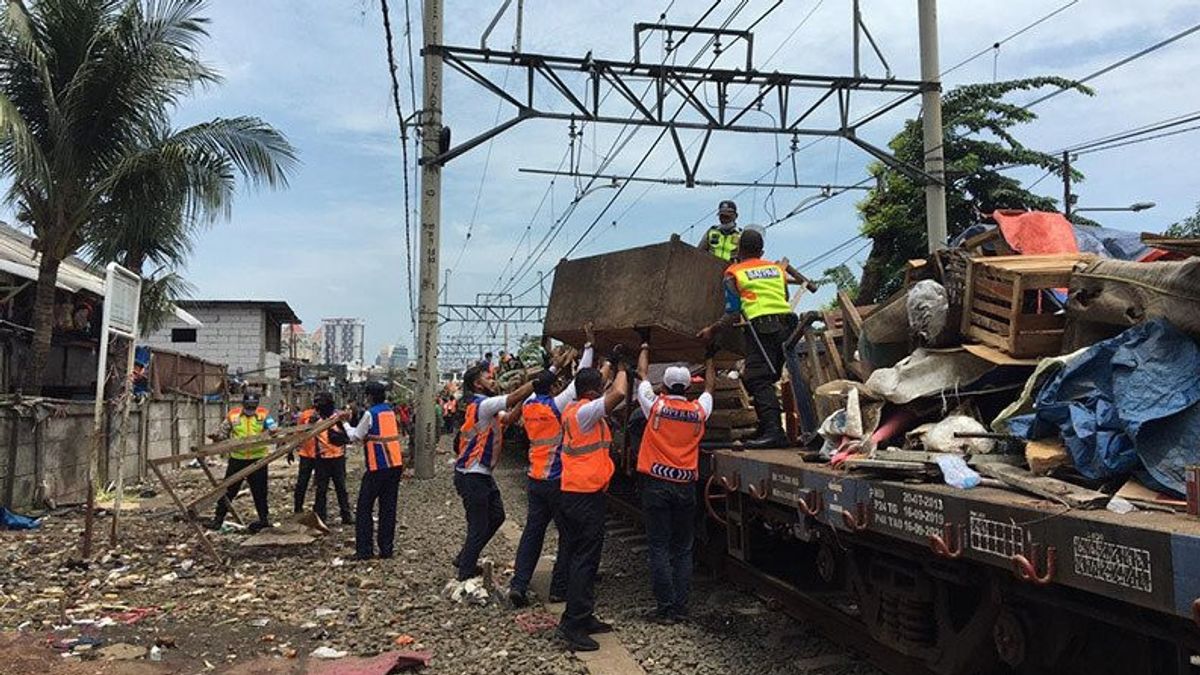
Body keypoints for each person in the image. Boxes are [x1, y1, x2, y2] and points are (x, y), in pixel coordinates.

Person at [508, 332, 596, 608]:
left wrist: (556, 365)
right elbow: (579, 380)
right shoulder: (555, 405)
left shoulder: (530, 406)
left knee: (533, 533)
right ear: (554, 387)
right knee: (568, 535)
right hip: (558, 480)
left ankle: (519, 584)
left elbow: (545, 382)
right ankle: (560, 588)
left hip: (535, 478)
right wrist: (589, 346)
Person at [635, 344, 715, 624]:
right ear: (687, 388)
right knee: (682, 549)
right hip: (685, 488)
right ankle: (681, 607)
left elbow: (642, 374)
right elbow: (710, 391)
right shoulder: (697, 412)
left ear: (665, 388)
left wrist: (645, 346)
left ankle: (665, 608)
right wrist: (710, 358)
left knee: (658, 547)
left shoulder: (655, 407)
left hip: (656, 485)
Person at [699, 228, 797, 448]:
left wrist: (712, 330)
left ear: (739, 250)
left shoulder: (734, 272)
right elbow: (784, 297)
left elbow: (732, 311)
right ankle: (766, 425)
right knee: (768, 376)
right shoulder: (776, 269)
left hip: (762, 327)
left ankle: (774, 433)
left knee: (758, 377)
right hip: (788, 325)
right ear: (761, 251)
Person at [556, 359, 629, 652]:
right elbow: (620, 394)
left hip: (578, 494)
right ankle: (573, 626)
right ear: (594, 391)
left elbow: (596, 384)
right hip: (583, 497)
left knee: (583, 559)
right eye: (601, 386)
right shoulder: (585, 412)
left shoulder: (574, 408)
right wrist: (624, 369)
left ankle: (581, 616)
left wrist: (608, 363)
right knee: (584, 561)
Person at [453, 367, 535, 581]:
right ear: (477, 385)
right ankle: (465, 571)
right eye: (488, 378)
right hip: (472, 474)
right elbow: (513, 398)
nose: (493, 380)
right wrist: (536, 382)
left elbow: (508, 418)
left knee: (497, 516)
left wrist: (525, 400)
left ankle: (464, 558)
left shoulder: (483, 406)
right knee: (479, 525)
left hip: (479, 473)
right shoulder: (485, 404)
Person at [342, 381, 404, 560]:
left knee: (364, 508)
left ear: (369, 396)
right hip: (394, 465)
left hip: (378, 466)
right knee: (388, 508)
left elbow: (355, 436)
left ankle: (364, 550)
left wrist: (345, 423)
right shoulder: (390, 412)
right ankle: (386, 549)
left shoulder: (371, 414)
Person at [209, 390, 277, 532]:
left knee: (260, 492)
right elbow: (223, 432)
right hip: (237, 459)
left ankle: (264, 519)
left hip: (258, 459)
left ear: (256, 405)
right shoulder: (233, 415)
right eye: (248, 407)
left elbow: (273, 428)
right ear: (243, 404)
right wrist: (217, 437)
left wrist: (273, 430)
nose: (249, 411)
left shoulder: (263, 414)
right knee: (228, 490)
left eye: (252, 408)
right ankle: (218, 519)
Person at [293, 392, 354, 525]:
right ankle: (320, 516)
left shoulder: (337, 417)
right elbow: (300, 433)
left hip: (337, 457)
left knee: (341, 488)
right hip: (321, 457)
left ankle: (346, 515)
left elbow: (349, 424)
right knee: (321, 489)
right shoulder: (312, 418)